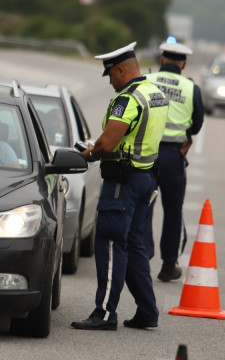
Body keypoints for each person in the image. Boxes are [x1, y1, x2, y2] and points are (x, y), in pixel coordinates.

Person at [71, 42, 169, 331]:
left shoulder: (127, 100)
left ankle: (104, 313)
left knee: (111, 244)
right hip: (145, 178)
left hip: (122, 184)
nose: (111, 81)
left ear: (121, 70)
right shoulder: (155, 92)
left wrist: (87, 154)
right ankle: (147, 311)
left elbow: (109, 143)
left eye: (111, 75)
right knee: (134, 245)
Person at [143, 42, 205, 282]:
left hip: (146, 153)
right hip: (173, 155)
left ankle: (142, 257)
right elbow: (197, 124)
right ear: (184, 64)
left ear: (161, 60)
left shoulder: (147, 81)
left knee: (143, 206)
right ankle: (169, 265)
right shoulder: (191, 88)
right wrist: (186, 137)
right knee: (172, 211)